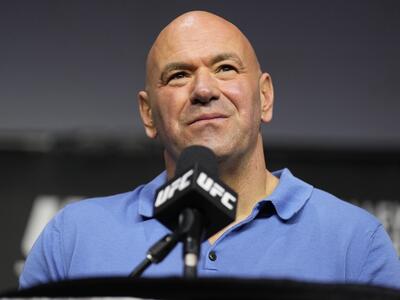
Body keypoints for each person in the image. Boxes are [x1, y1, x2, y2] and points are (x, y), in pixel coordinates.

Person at [20, 11, 400, 289]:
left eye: (225, 69)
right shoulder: (73, 238)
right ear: (148, 113)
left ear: (264, 98)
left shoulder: (354, 242)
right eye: (179, 75)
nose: (204, 90)